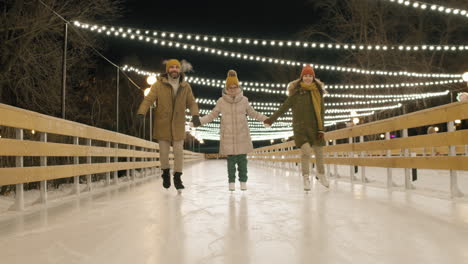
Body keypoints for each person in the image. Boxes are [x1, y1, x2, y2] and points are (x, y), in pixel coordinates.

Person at [193, 70, 267, 191]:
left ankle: (243, 182)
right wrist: (198, 121)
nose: (232, 89)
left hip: (242, 135)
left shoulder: (244, 100)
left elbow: (253, 113)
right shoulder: (221, 102)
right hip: (228, 136)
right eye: (230, 87)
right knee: (231, 161)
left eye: (234, 86)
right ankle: (231, 183)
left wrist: (266, 119)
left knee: (242, 161)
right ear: (226, 88)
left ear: (238, 87)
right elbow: (212, 115)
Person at [137, 59, 201, 193]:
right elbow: (148, 99)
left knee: (178, 153)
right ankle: (165, 173)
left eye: (176, 67)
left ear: (179, 70)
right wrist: (141, 113)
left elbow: (192, 102)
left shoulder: (185, 86)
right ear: (167, 70)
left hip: (178, 125)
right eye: (171, 67)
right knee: (164, 154)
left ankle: (177, 177)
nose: (174, 70)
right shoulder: (158, 85)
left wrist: (195, 115)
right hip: (162, 124)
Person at [264, 64, 329, 191]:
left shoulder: (318, 92)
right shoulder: (296, 94)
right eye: (306, 75)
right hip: (301, 129)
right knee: (305, 152)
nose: (308, 78)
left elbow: (322, 111)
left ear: (313, 77)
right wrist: (271, 120)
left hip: (316, 128)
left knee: (319, 153)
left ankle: (321, 174)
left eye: (310, 76)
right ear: (301, 77)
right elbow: (283, 107)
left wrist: (321, 129)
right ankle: (306, 178)